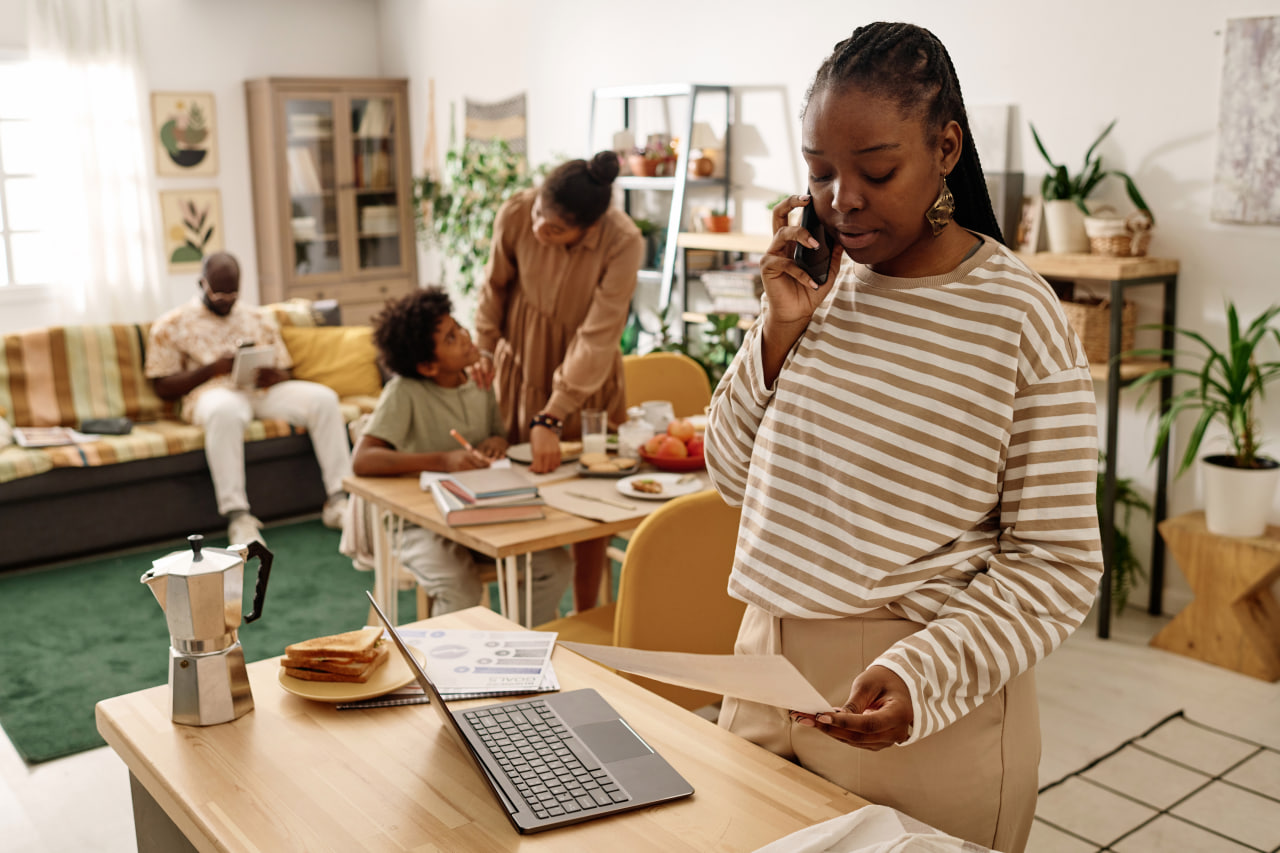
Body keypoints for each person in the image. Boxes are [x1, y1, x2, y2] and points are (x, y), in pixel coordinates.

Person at [703, 23, 1102, 853]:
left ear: (946, 147)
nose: (842, 200)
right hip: (761, 661)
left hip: (917, 701)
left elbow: (1059, 561)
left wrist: (922, 677)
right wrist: (777, 334)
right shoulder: (814, 287)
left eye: (876, 172)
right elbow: (729, 473)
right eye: (820, 173)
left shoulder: (1016, 317)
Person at [471, 150, 644, 612]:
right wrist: (484, 347)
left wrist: (553, 413)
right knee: (522, 497)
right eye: (537, 217)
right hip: (521, 367)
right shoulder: (515, 213)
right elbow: (494, 288)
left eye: (553, 230)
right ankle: (522, 620)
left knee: (593, 507)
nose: (537, 231)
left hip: (587, 382)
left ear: (589, 228)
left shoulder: (623, 241)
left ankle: (586, 617)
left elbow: (599, 334)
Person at [352, 287, 572, 624]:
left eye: (459, 327)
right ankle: (448, 676)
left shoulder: (479, 384)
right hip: (419, 525)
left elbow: (497, 434)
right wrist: (442, 460)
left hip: (480, 511)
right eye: (452, 338)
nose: (467, 337)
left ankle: (520, 654)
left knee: (554, 566)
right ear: (427, 366)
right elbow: (363, 460)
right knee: (460, 587)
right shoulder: (405, 392)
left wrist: (496, 442)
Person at [145, 251, 351, 547]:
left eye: (233, 292)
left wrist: (276, 376)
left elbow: (286, 368)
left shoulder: (258, 318)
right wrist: (211, 369)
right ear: (201, 283)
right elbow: (162, 385)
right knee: (225, 411)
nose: (226, 299)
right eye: (218, 292)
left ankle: (338, 500)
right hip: (212, 394)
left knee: (324, 399)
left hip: (261, 392)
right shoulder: (171, 325)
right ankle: (239, 517)